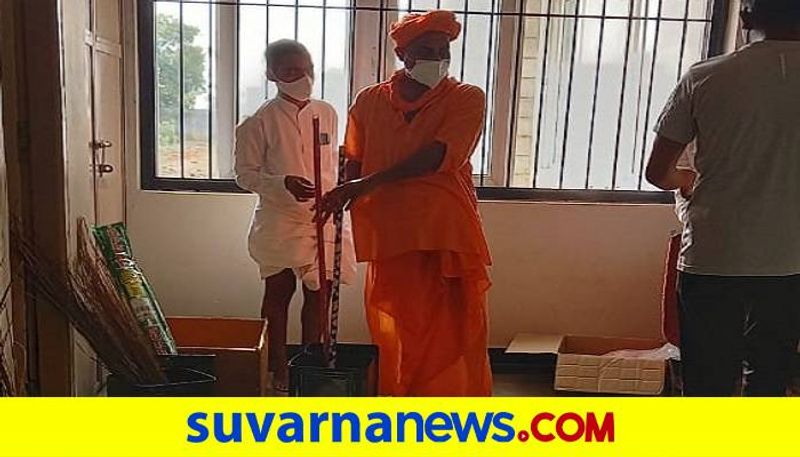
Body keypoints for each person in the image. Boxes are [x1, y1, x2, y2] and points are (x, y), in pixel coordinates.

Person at [318, 10, 493, 396]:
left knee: (452, 329)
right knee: (399, 327)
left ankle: (451, 411)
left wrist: (364, 184)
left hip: (444, 231)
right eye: (427, 50)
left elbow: (438, 156)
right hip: (390, 233)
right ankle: (405, 406)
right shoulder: (369, 101)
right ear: (404, 55)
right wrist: (341, 193)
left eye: (443, 50)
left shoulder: (466, 97)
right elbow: (354, 157)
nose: (438, 59)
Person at [645, 0, 800, 396]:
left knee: (706, 377)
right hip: (791, 259)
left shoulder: (705, 77)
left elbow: (657, 172)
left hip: (715, 253)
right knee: (772, 373)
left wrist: (687, 179)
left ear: (746, 18)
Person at [234, 39, 356, 393]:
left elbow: (334, 164)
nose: (300, 76)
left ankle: (309, 369)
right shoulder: (258, 121)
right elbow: (245, 175)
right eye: (289, 70)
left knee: (320, 294)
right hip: (280, 219)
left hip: (325, 216)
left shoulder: (327, 112)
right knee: (279, 292)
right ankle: (276, 372)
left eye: (306, 68)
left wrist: (337, 197)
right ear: (271, 73)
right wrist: (281, 183)